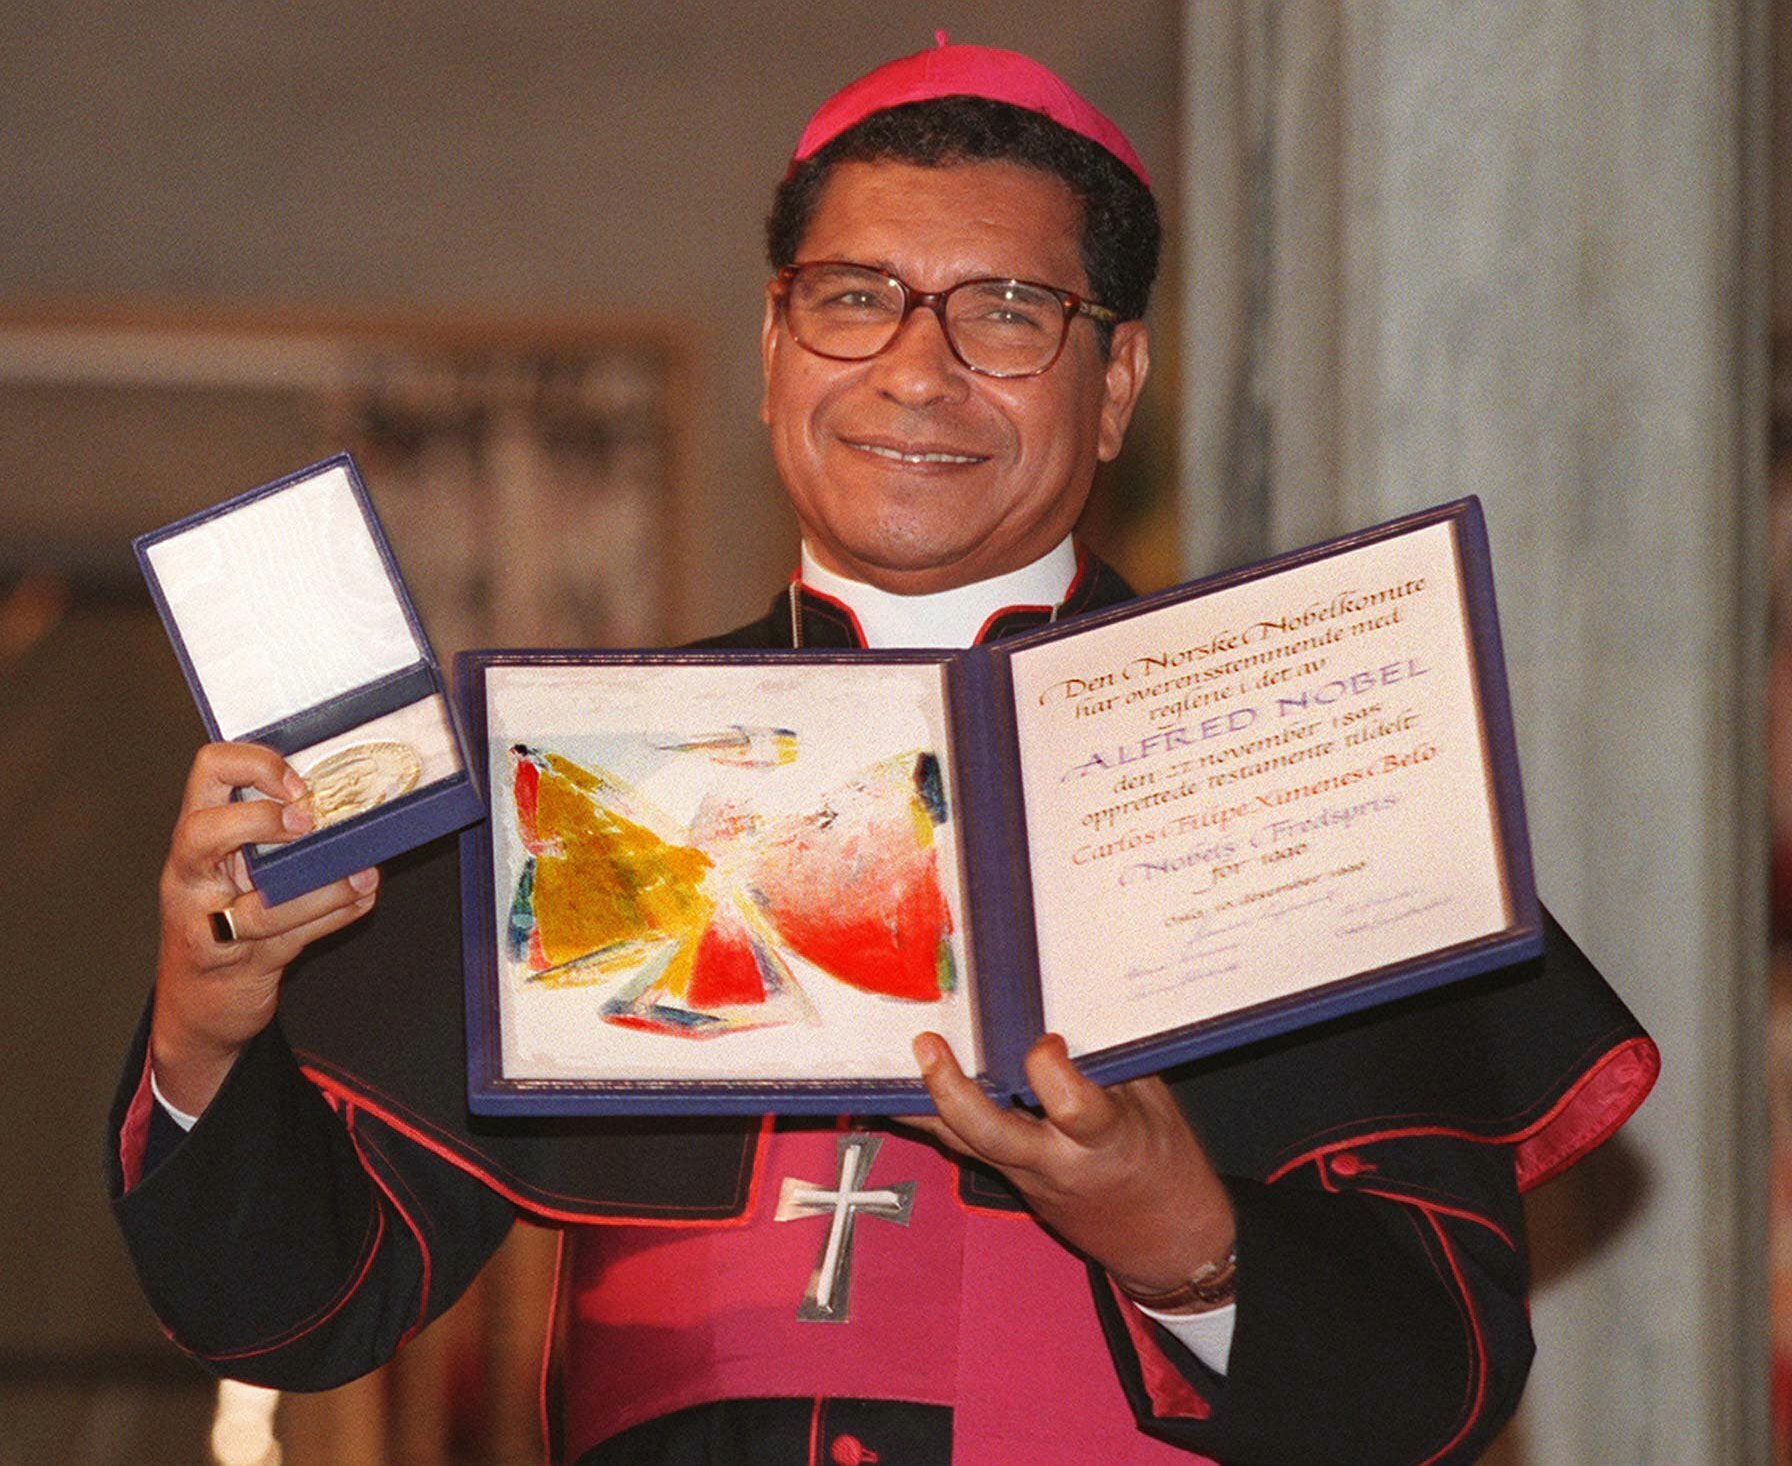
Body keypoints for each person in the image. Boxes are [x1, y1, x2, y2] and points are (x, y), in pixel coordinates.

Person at [109, 39, 1658, 1466]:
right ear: (774, 346)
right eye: (854, 298)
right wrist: (205, 1026)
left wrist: (1181, 1232)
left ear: (1115, 385)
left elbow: (1439, 1381)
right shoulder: (583, 777)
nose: (916, 372)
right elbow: (291, 1306)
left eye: (1007, 311)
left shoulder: (1290, 764)